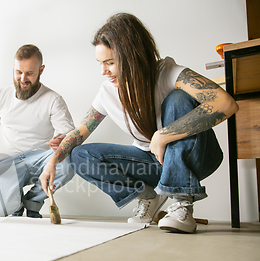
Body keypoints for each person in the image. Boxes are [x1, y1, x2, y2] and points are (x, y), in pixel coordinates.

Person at [39, 13, 238, 233]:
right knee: (81, 155)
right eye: (100, 63)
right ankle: (149, 197)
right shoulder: (107, 92)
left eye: (110, 63)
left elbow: (225, 103)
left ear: (130, 56)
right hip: (152, 164)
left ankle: (182, 202)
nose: (103, 71)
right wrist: (52, 162)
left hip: (198, 156)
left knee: (178, 98)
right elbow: (80, 132)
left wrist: (164, 134)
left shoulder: (167, 72)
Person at [0, 44, 75, 218]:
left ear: (41, 70)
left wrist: (62, 141)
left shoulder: (53, 99)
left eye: (29, 73)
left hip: (39, 160)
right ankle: (16, 203)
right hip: (6, 163)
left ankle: (33, 201)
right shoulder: (1, 95)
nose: (23, 78)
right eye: (18, 72)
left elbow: (69, 134)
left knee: (71, 162)